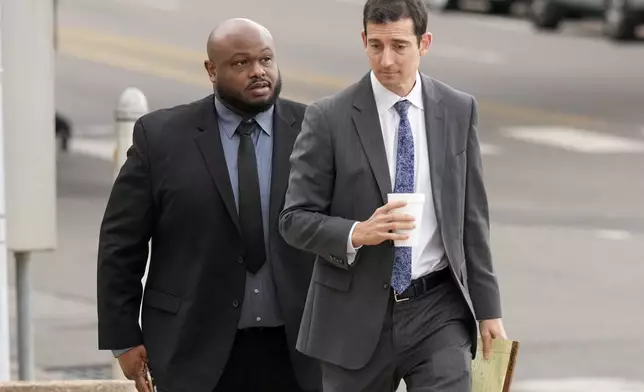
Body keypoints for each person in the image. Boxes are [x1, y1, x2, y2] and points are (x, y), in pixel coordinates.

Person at [278, 0, 507, 390]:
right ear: (364, 40)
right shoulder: (328, 118)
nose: (386, 60)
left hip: (437, 309)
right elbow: (294, 219)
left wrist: (489, 311)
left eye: (399, 46)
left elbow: (472, 218)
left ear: (425, 43)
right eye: (376, 45)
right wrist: (356, 232)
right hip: (352, 316)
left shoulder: (457, 109)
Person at [97, 18, 321, 392]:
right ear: (211, 70)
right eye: (240, 63)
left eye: (266, 59)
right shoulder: (160, 138)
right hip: (193, 350)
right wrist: (123, 337)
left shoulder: (316, 129)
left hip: (300, 353)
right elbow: (121, 244)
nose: (258, 72)